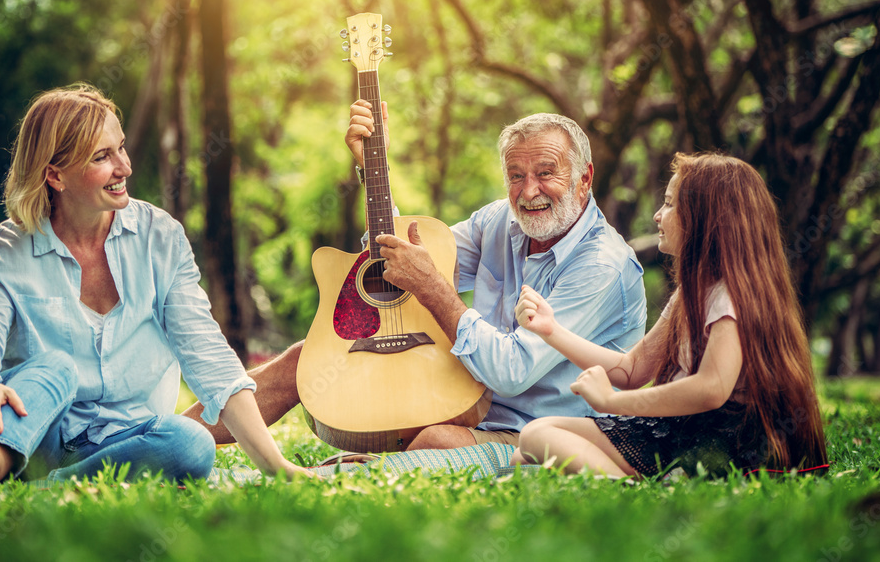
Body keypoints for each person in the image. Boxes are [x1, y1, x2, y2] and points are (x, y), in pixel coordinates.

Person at [189, 100, 647, 451]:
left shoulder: (602, 264)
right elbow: (400, 260)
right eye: (515, 175)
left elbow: (511, 372)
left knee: (436, 442)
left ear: (585, 178)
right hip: (468, 396)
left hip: (537, 431)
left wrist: (433, 288)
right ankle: (166, 438)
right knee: (311, 357)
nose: (528, 192)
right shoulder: (500, 221)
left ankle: (351, 470)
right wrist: (374, 167)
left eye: (546, 174)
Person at [0, 85, 309, 485]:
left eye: (121, 147)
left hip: (120, 445)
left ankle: (42, 492)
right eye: (102, 156)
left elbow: (209, 357)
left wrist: (278, 467)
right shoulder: (6, 250)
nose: (124, 167)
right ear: (55, 175)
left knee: (191, 442)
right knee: (56, 368)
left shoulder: (160, 238)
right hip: (21, 438)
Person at [511, 153, 829, 477]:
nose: (657, 215)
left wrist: (611, 402)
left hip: (723, 443)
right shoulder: (693, 292)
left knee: (538, 436)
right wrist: (550, 330)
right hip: (681, 431)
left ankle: (636, 494)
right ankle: (630, 482)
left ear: (707, 218)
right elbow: (633, 369)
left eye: (669, 204)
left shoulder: (729, 294)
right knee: (524, 457)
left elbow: (712, 388)